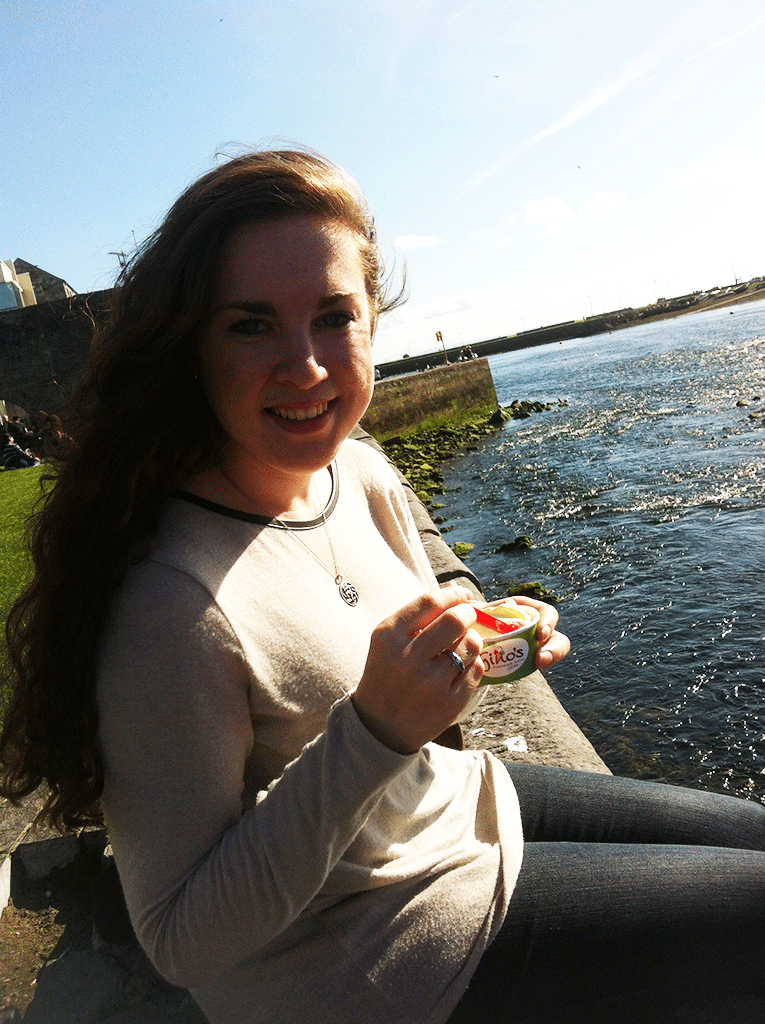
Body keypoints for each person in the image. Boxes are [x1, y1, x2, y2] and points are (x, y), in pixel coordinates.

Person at [1, 148, 763, 1024]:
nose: (306, 367)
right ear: (190, 347)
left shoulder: (355, 472)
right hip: (366, 948)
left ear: (372, 321)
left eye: (333, 318)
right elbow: (180, 937)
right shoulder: (170, 604)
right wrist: (373, 731)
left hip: (437, 805)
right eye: (251, 325)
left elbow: (381, 642)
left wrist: (479, 643)